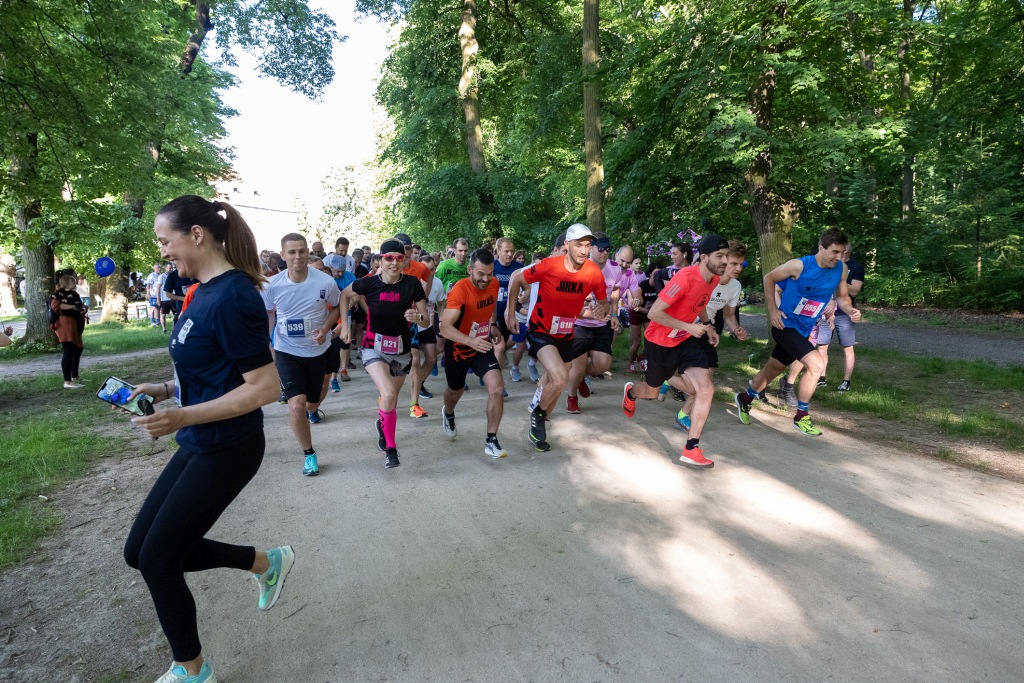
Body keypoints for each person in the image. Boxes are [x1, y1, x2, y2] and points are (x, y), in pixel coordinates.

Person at [123, 195, 292, 683]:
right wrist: (165, 389)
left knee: (158, 559)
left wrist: (182, 416)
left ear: (196, 235)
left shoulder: (234, 295)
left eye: (165, 240)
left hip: (230, 447)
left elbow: (264, 387)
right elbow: (213, 369)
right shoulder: (201, 292)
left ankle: (192, 670)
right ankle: (266, 562)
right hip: (201, 439)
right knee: (139, 553)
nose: (162, 251)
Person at [735, 229, 861, 436]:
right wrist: (773, 311)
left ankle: (745, 398)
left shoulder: (841, 269)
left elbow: (842, 297)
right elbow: (769, 278)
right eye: (834, 252)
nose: (839, 257)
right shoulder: (799, 266)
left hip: (803, 329)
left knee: (773, 369)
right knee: (816, 364)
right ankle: (801, 416)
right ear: (821, 248)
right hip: (784, 325)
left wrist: (850, 310)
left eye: (842, 252)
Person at [620, 235, 731, 467]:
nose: (725, 261)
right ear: (704, 257)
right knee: (651, 392)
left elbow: (699, 303)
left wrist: (707, 325)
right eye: (720, 256)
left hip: (685, 340)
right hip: (659, 341)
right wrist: (689, 326)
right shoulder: (685, 278)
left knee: (706, 388)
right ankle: (631, 393)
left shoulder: (713, 279)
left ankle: (691, 448)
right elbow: (654, 313)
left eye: (727, 256)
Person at [505, 224, 607, 452]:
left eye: (587, 245)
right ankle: (538, 414)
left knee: (556, 383)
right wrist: (510, 313)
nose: (584, 250)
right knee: (561, 378)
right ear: (567, 245)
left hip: (566, 333)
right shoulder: (549, 265)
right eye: (579, 245)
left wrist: (602, 309)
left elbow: (604, 303)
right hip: (540, 329)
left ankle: (538, 422)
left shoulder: (593, 273)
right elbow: (517, 279)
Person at [338, 239, 429, 469]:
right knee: (387, 394)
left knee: (391, 399)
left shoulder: (412, 284)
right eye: (389, 258)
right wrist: (346, 327)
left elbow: (427, 320)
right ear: (381, 259)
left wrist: (417, 317)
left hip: (401, 351)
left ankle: (382, 423)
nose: (394, 263)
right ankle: (391, 449)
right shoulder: (369, 283)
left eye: (399, 258)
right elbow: (344, 296)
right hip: (373, 347)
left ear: (404, 260)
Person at [262, 233, 342, 476]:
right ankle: (309, 454)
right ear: (283, 255)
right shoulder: (272, 284)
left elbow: (337, 307)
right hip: (286, 350)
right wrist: (269, 343)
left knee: (311, 403)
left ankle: (313, 410)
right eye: (292, 252)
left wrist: (326, 328)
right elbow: (269, 313)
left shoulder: (325, 282)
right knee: (296, 405)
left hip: (317, 350)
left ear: (308, 252)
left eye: (301, 251)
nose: (297, 256)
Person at [671, 240, 750, 432]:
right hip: (686, 328)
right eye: (734, 263)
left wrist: (736, 330)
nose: (738, 268)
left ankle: (682, 415)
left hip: (707, 329)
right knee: (696, 384)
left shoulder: (735, 286)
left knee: (707, 382)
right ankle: (664, 375)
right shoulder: (705, 277)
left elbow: (729, 316)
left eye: (741, 264)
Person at [439, 249, 507, 458]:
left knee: (497, 389)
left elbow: (491, 304)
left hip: (482, 346)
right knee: (455, 391)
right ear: (470, 270)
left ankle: (491, 440)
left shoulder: (494, 284)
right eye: (480, 274)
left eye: (489, 274)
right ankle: (448, 412)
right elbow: (444, 327)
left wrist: (493, 325)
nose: (486, 279)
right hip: (458, 348)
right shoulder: (460, 290)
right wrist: (470, 341)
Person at [565, 237, 641, 414]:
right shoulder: (579, 267)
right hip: (579, 324)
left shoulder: (614, 269)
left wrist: (614, 314)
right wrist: (586, 308)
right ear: (591, 249)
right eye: (601, 249)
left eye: (607, 249)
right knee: (578, 366)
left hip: (601, 323)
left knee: (603, 364)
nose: (605, 252)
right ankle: (572, 397)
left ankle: (579, 377)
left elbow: (615, 291)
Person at [392, 232, 435, 418]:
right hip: (390, 320)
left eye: (408, 248)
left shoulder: (419, 267)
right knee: (396, 362)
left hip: (411, 319)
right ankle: (389, 397)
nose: (405, 252)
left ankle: (414, 405)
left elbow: (429, 277)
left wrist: (422, 299)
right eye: (401, 249)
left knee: (415, 359)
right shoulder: (388, 266)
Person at [492, 238, 525, 378]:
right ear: (498, 251)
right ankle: (497, 382)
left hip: (513, 314)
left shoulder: (518, 268)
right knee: (499, 347)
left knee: (511, 342)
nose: (510, 254)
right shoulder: (491, 267)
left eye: (512, 251)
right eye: (506, 251)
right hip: (495, 314)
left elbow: (527, 287)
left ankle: (493, 361)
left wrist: (525, 295)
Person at [324, 255, 357, 392]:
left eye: (342, 271)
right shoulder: (325, 283)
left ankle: (337, 375)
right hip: (322, 319)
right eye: (337, 271)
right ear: (331, 268)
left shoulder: (348, 278)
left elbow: (357, 294)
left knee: (339, 346)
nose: (340, 274)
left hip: (342, 317)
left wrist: (351, 303)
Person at [413, 253, 443, 400]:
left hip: (426, 325)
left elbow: (441, 303)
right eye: (426, 269)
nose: (430, 272)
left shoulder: (438, 283)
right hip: (410, 326)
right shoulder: (412, 281)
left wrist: (442, 320)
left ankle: (419, 385)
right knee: (411, 361)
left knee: (431, 358)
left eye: (432, 269)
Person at [51, 274, 88, 388]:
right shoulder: (58, 294)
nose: (75, 283)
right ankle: (67, 381)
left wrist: (81, 309)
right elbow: (57, 306)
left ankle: (74, 377)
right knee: (69, 350)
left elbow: (78, 306)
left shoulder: (74, 294)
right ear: (65, 283)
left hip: (74, 323)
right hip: (65, 323)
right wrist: (72, 307)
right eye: (72, 281)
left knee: (77, 349)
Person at [627, 262, 660, 372]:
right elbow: (634, 305)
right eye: (655, 273)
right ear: (650, 273)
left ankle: (641, 357)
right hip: (637, 313)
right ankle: (630, 363)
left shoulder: (660, 286)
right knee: (637, 341)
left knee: (651, 339)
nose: (658, 275)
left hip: (648, 314)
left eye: (660, 273)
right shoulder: (642, 286)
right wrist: (647, 311)